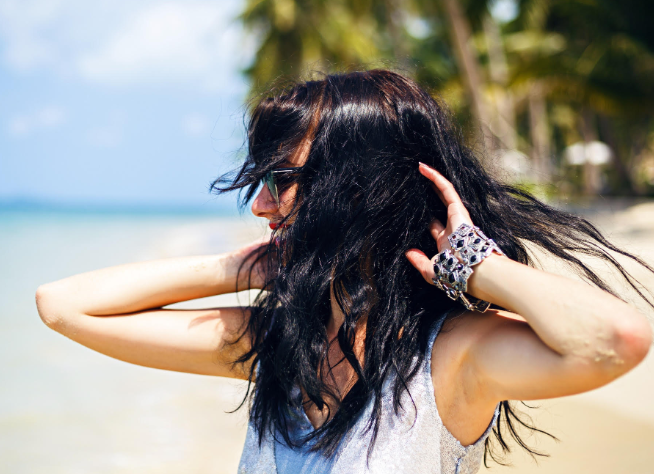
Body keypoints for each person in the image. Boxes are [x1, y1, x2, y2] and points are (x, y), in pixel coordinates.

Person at [36, 69, 653, 474]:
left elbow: (614, 341)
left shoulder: (452, 357)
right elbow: (63, 306)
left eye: (281, 181)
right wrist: (252, 266)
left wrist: (474, 264)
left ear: (358, 186)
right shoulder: (277, 345)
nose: (260, 206)